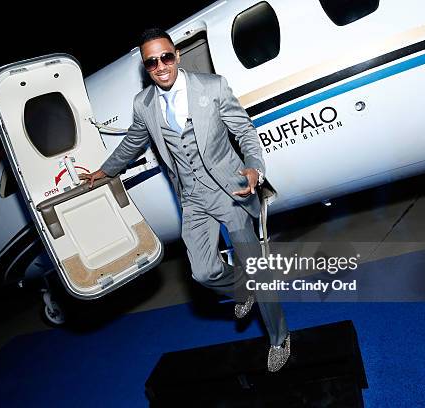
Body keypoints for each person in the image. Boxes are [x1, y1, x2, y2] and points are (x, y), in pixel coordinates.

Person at [80, 28, 290, 371]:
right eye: (151, 62)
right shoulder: (143, 104)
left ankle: (280, 338)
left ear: (176, 55)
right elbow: (133, 141)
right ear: (146, 68)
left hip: (230, 191)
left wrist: (253, 167)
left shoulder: (212, 86)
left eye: (165, 57)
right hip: (192, 199)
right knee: (203, 273)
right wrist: (104, 172)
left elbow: (244, 131)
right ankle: (241, 289)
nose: (160, 66)